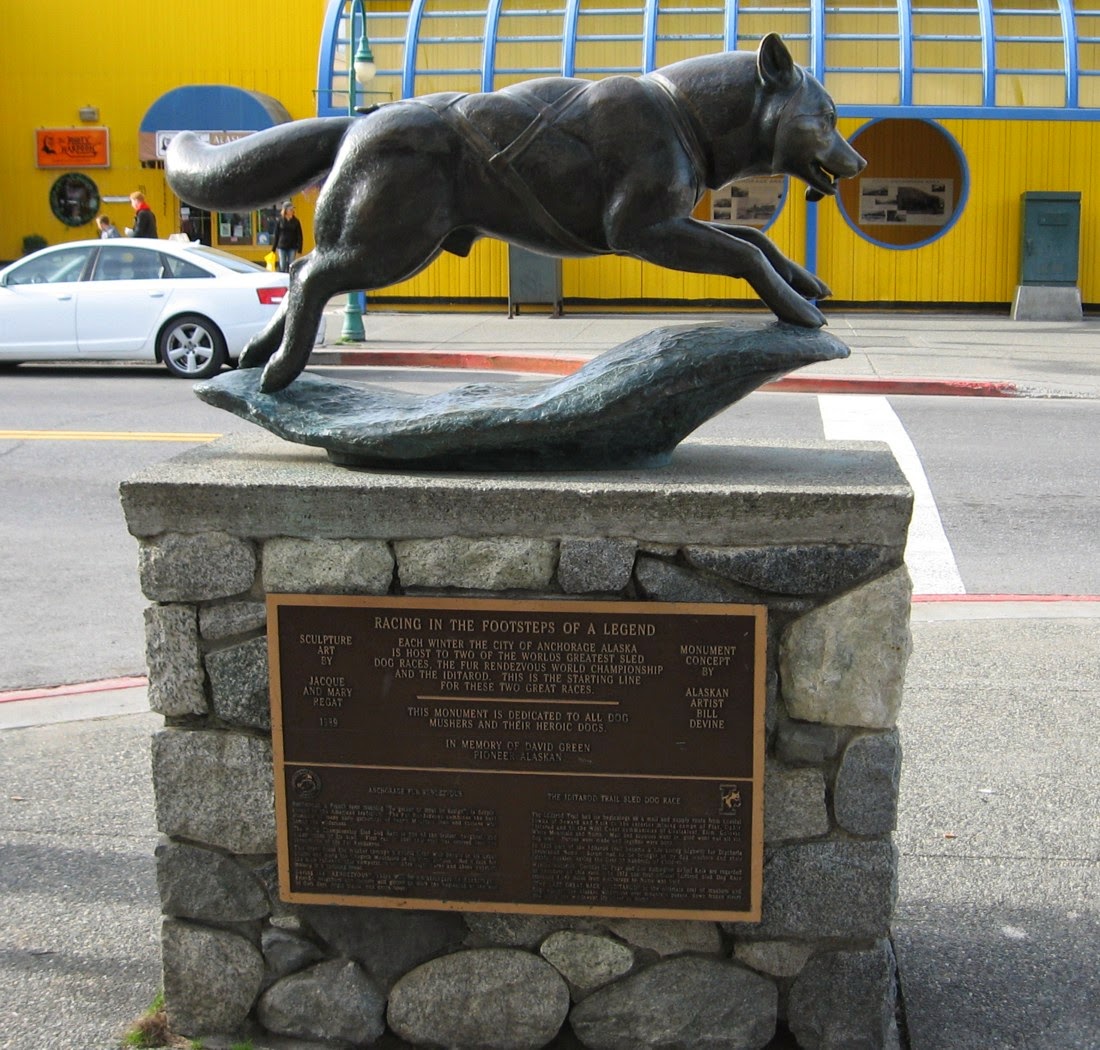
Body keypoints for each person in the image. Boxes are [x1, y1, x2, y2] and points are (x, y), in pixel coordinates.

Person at [271, 200, 303, 272]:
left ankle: (289, 279)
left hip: (292, 246)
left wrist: (300, 249)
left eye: (292, 209)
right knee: (282, 264)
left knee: (291, 265)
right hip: (282, 246)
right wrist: (273, 249)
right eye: (290, 209)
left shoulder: (296, 221)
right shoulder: (280, 221)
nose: (292, 211)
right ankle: (282, 279)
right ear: (285, 210)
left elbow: (300, 235)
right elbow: (276, 234)